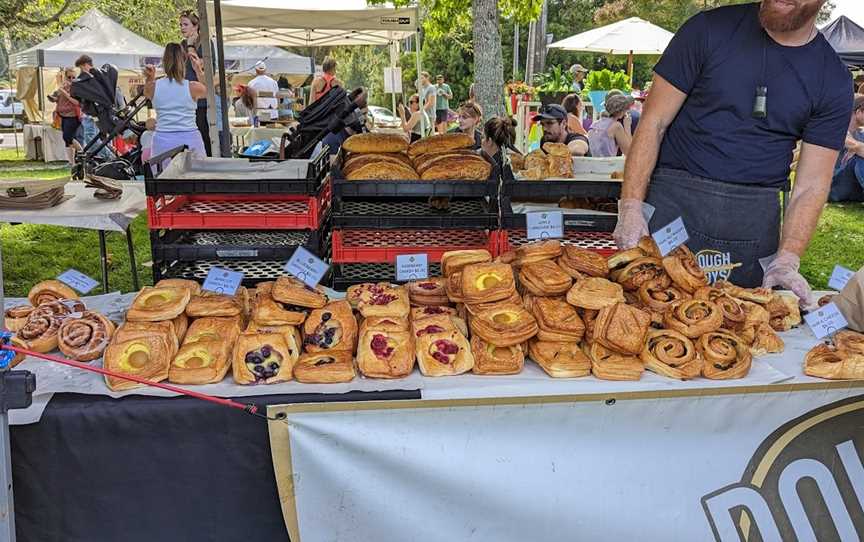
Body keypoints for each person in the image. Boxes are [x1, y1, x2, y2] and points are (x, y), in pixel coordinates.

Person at [614, 0, 853, 303]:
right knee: (647, 314)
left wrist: (788, 257)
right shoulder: (707, 30)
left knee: (740, 330)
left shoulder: (832, 78)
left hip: (753, 221)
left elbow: (812, 184)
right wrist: (632, 207)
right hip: (673, 204)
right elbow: (653, 123)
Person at [144, 43, 208, 166]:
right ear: (183, 62)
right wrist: (198, 70)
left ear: (164, 62)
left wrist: (150, 77)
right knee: (195, 181)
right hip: (190, 138)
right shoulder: (193, 87)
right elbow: (209, 91)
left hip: (162, 139)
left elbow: (147, 92)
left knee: (164, 181)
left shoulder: (153, 87)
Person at [179, 10, 213, 156]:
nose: (182, 27)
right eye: (180, 24)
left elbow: (201, 65)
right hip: (186, 98)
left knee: (203, 135)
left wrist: (191, 45)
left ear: (196, 26)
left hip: (201, 100)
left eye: (185, 24)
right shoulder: (182, 44)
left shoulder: (206, 43)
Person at [828, 94, 864, 202]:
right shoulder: (836, 130)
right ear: (858, 112)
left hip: (854, 189)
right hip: (835, 186)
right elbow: (857, 146)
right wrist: (857, 149)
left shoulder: (861, 134)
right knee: (859, 156)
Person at [53, 68, 81, 166]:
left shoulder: (77, 88)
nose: (71, 79)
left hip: (73, 115)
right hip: (63, 115)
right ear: (65, 77)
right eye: (69, 77)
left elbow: (77, 102)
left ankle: (82, 152)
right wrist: (54, 98)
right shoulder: (63, 87)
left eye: (74, 77)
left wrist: (64, 93)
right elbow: (58, 99)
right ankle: (71, 162)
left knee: (67, 137)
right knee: (67, 140)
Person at [481, 116, 517, 181]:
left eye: (482, 137)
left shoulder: (489, 168)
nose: (481, 141)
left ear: (489, 141)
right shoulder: (504, 162)